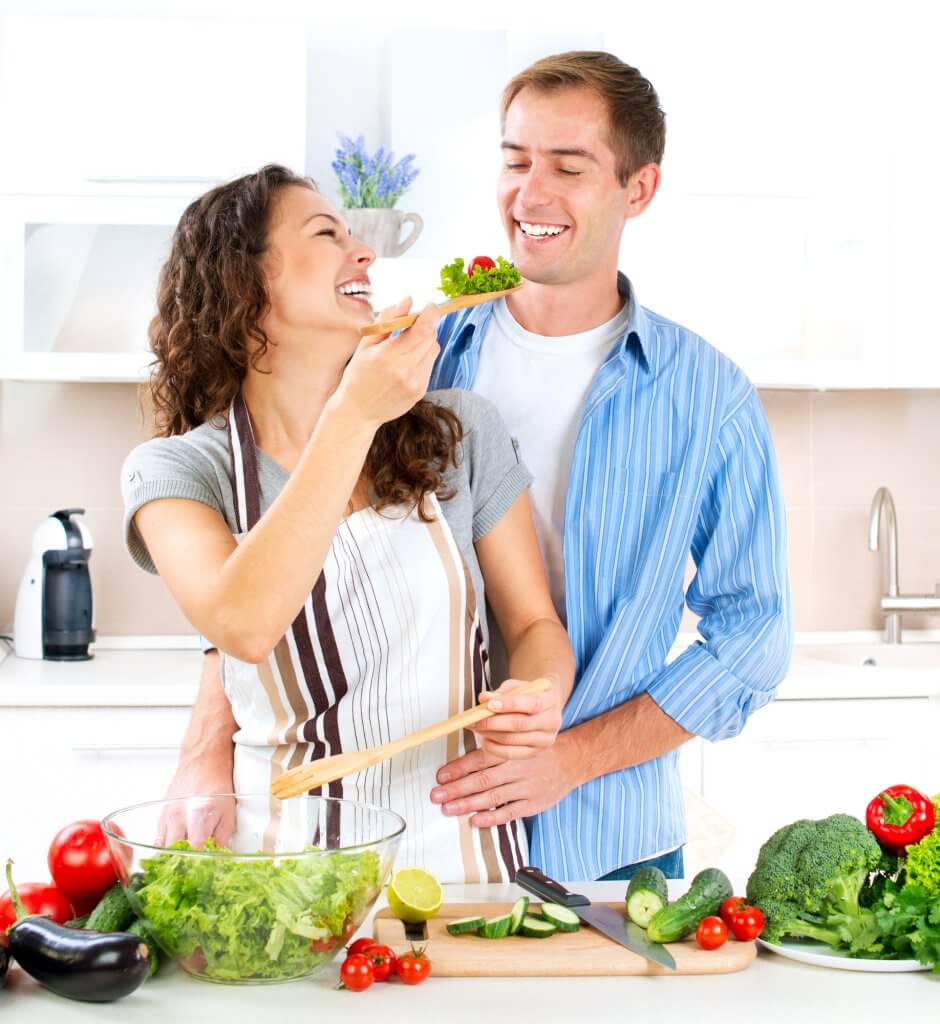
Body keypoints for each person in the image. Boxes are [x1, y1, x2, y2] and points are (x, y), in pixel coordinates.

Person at [120, 164, 575, 882]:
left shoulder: (463, 432)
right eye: (327, 234)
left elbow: (533, 628)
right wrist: (355, 413)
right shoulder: (176, 473)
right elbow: (241, 624)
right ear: (246, 284)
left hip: (461, 862)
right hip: (285, 876)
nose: (363, 252)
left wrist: (540, 695)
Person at [425, 51, 792, 882]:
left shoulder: (707, 395)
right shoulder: (422, 360)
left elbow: (753, 638)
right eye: (516, 160)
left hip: (611, 844)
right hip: (423, 829)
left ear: (639, 188)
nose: (531, 193)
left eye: (569, 165)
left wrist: (570, 760)